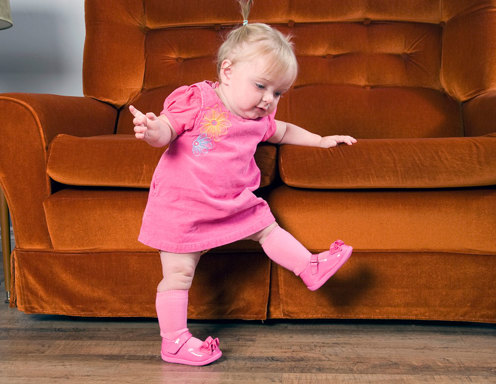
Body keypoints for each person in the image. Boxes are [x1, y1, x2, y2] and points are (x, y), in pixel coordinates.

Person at [129, 0, 357, 366]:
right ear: (228, 71)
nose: (269, 100)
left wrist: (319, 140)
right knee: (178, 273)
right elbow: (166, 131)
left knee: (267, 228)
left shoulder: (259, 119)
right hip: (183, 206)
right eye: (262, 86)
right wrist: (153, 130)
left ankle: (309, 267)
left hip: (233, 201)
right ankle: (173, 341)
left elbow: (283, 131)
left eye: (278, 93)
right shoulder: (198, 99)